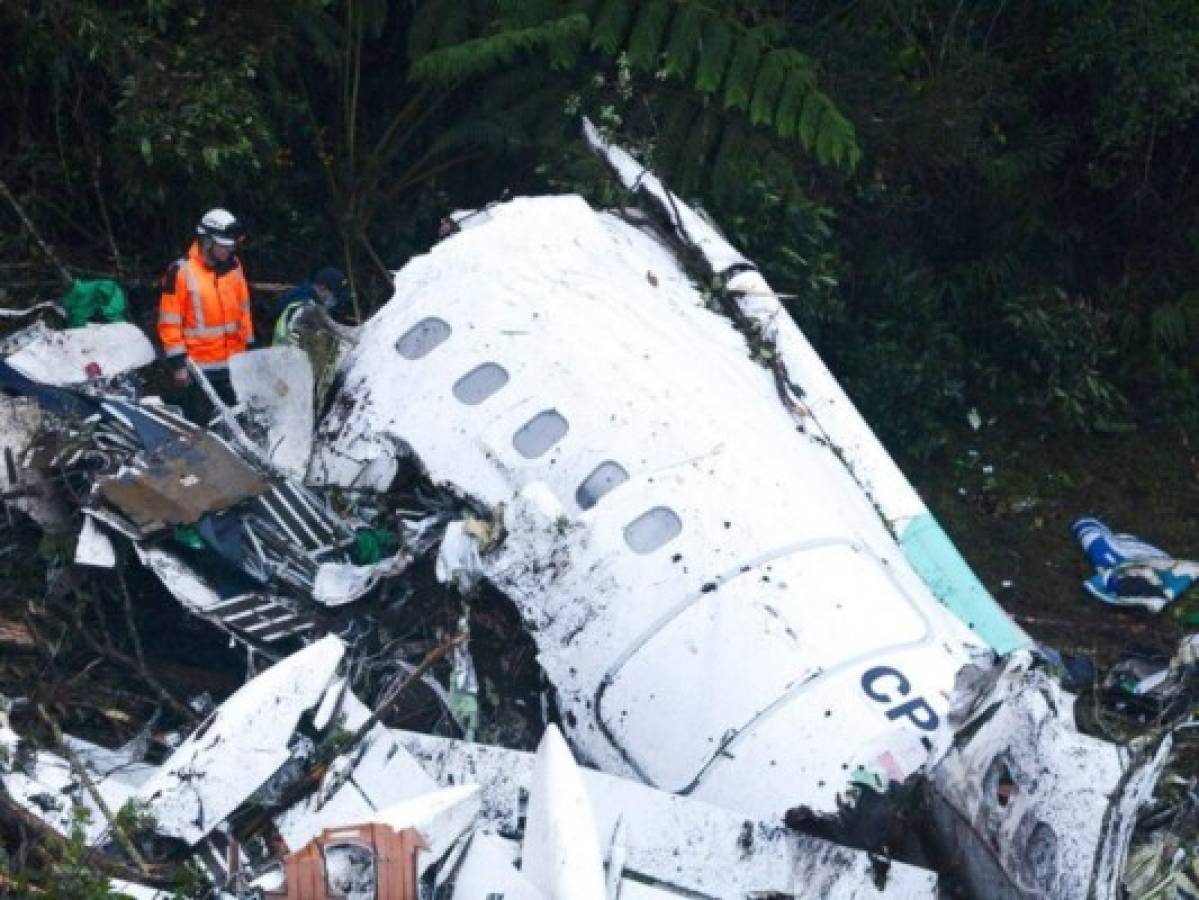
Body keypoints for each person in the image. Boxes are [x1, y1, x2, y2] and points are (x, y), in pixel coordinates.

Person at [157, 208, 252, 408]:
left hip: (235, 364)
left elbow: (244, 310)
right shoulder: (181, 272)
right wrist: (178, 365)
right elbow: (169, 323)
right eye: (224, 245)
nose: (230, 250)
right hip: (200, 370)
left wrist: (250, 348)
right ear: (207, 242)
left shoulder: (234, 266)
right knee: (202, 427)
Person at [271, 266, 351, 346]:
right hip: (288, 355)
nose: (336, 301)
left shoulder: (307, 299)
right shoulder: (306, 309)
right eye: (335, 296)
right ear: (322, 288)